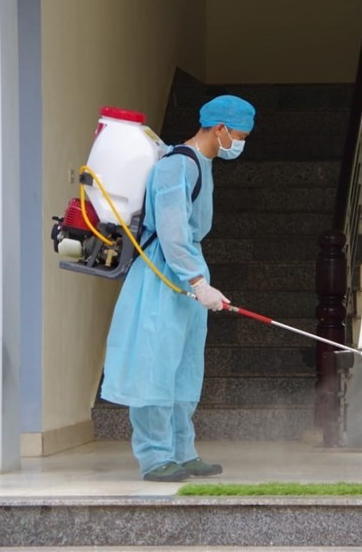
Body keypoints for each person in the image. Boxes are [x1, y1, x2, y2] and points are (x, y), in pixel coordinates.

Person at [101, 95, 255, 482]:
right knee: (155, 364)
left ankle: (183, 452)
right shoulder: (176, 166)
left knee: (184, 368)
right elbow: (171, 231)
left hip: (186, 273)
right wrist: (197, 281)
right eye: (239, 135)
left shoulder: (201, 164)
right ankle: (155, 457)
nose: (240, 143)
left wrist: (199, 280)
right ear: (219, 128)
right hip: (162, 275)